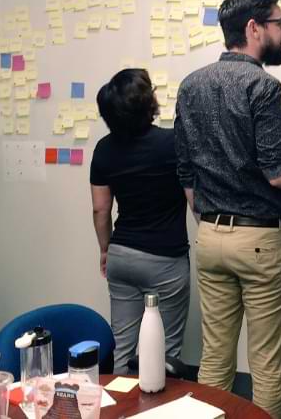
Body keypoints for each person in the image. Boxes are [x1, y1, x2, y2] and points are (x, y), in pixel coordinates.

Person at [175, 0, 281, 417]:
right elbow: (277, 172)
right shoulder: (264, 87)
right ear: (254, 29)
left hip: (209, 237)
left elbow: (184, 168)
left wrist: (208, 210)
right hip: (259, 241)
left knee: (214, 360)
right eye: (279, 23)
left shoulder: (191, 84)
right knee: (266, 367)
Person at [89, 68, 190, 374]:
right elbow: (194, 199)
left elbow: (100, 210)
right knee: (165, 351)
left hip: (121, 256)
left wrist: (105, 251)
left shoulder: (104, 149)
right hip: (166, 260)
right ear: (148, 103)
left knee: (123, 347)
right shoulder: (173, 143)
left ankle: (121, 408)